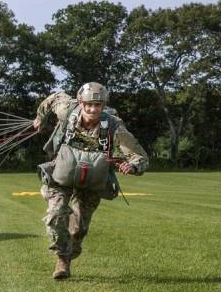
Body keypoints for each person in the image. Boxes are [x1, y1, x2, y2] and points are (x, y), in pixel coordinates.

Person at [32, 82, 149, 280]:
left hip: (92, 182)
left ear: (104, 106)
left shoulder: (114, 125)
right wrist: (40, 117)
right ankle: (61, 259)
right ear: (81, 102)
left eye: (98, 105)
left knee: (78, 229)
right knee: (55, 215)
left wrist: (133, 166)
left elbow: (140, 156)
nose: (93, 109)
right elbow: (54, 98)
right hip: (61, 176)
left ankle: (68, 257)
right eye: (88, 105)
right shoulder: (67, 110)